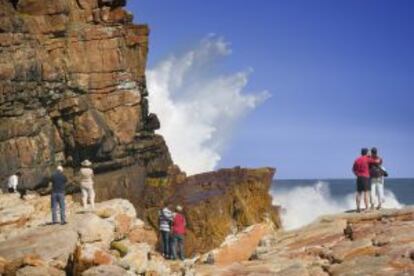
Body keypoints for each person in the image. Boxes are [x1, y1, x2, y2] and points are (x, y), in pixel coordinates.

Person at [352, 148, 372, 212]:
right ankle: (367, 208)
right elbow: (376, 161)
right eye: (368, 152)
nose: (369, 153)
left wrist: (357, 174)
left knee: (359, 193)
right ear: (366, 153)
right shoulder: (367, 159)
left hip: (359, 177)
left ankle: (358, 208)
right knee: (366, 193)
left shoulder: (357, 159)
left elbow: (353, 169)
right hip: (365, 177)